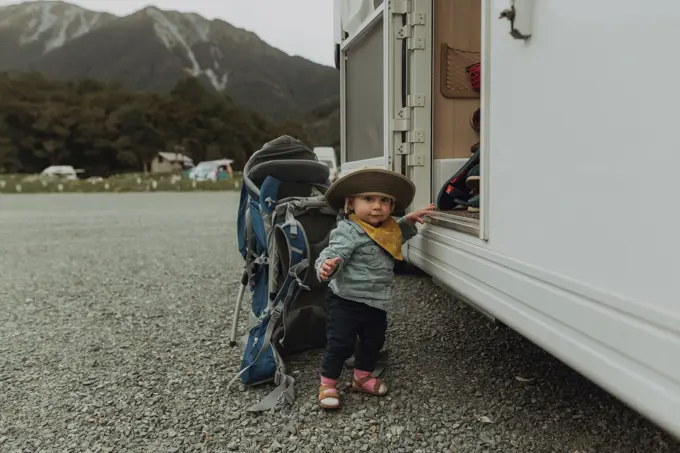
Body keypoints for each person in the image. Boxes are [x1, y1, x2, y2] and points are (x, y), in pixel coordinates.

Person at [314, 167, 435, 409]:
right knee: (340, 343)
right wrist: (326, 266)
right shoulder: (348, 231)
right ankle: (328, 383)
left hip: (377, 302)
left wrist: (408, 221)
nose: (377, 206)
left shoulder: (388, 227)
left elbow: (394, 235)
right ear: (351, 203)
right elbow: (333, 252)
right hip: (346, 300)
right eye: (368, 199)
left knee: (373, 342)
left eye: (384, 201)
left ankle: (362, 377)